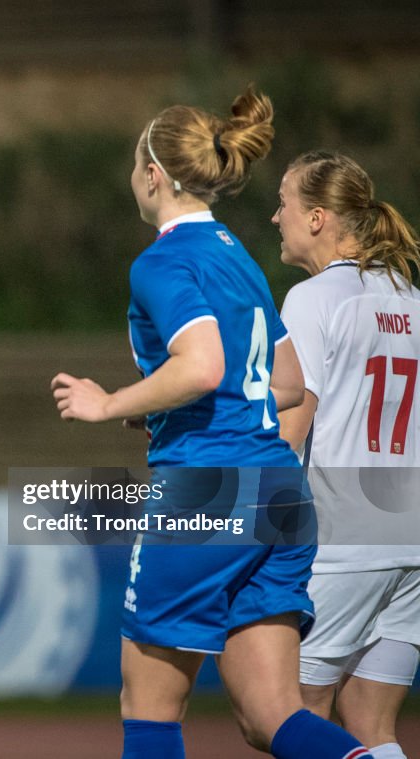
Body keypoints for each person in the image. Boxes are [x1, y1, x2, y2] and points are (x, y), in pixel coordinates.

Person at [51, 87, 376, 759]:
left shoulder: (162, 261)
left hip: (207, 489)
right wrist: (176, 408)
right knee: (273, 715)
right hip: (280, 491)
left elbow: (200, 366)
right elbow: (285, 385)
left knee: (148, 708)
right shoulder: (240, 257)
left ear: (153, 174)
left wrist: (111, 402)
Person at [273, 151, 420, 759]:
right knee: (369, 720)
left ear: (317, 218)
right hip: (412, 535)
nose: (274, 215)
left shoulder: (314, 299)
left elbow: (290, 433)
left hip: (346, 537)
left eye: (283, 202)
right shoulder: (410, 296)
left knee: (290, 717)